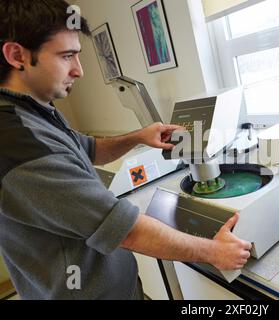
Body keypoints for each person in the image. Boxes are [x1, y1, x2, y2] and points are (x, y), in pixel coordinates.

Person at [0, 0, 252, 300]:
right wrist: (214, 252)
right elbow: (127, 230)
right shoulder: (17, 142)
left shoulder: (34, 111)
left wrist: (139, 137)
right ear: (17, 56)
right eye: (67, 56)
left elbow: (89, 149)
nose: (79, 71)